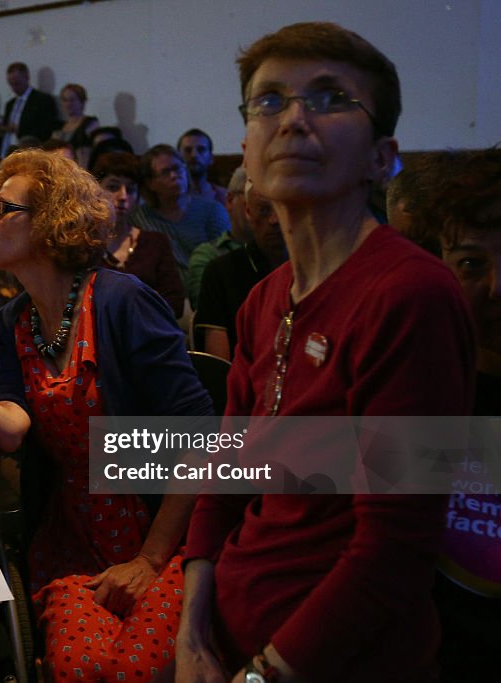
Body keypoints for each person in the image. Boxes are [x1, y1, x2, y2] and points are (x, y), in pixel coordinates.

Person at [173, 22, 475, 683]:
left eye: (331, 97)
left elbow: (394, 549)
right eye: (270, 100)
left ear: (382, 157)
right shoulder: (261, 300)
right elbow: (224, 480)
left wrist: (262, 674)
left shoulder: (410, 293)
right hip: (223, 636)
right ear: (245, 153)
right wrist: (189, 629)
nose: (295, 118)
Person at [0, 149, 211, 681]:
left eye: (2, 209)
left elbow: (202, 434)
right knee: (81, 667)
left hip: (165, 531)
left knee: (137, 668)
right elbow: (13, 434)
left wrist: (152, 559)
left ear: (49, 221)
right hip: (73, 540)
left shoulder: (119, 299)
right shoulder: (12, 321)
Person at [415, 147, 501, 683]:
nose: (499, 288)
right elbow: (265, 461)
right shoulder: (413, 391)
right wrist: (112, 453)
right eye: (471, 263)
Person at [193, 184, 285, 359]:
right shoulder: (221, 271)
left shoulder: (312, 269)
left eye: (281, 208)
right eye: (264, 210)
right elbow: (219, 365)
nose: (274, 220)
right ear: (248, 212)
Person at [92, 150, 184, 314]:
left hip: (147, 334)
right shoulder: (84, 245)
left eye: (131, 189)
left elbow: (175, 303)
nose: (123, 196)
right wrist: (147, 299)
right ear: (95, 190)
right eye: (113, 187)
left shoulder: (155, 242)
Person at [133, 144, 230, 296]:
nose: (174, 176)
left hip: (209, 293)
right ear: (151, 183)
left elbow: (227, 258)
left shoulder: (212, 211)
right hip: (164, 297)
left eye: (178, 169)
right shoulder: (141, 217)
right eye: (165, 172)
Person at [186, 167, 250, 308]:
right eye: (250, 197)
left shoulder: (283, 251)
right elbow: (205, 311)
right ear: (230, 200)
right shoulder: (208, 256)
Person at [0, 62, 60, 156]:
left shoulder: (42, 100)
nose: (14, 88)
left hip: (30, 151)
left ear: (27, 78)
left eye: (17, 83)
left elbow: (46, 129)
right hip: (9, 150)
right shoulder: (10, 104)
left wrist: (18, 129)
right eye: (11, 84)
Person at [51, 83, 99, 167]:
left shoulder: (90, 123)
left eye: (72, 100)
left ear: (82, 102)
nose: (68, 104)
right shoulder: (58, 126)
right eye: (65, 100)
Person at [177, 128, 226, 204]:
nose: (194, 155)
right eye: (188, 150)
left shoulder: (226, 197)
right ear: (178, 158)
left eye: (201, 150)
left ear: (211, 158)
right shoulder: (167, 198)